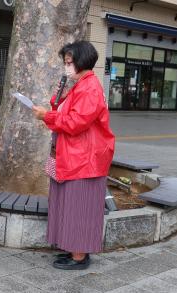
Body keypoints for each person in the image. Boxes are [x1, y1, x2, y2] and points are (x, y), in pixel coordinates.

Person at [32, 41, 115, 270]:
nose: (66, 66)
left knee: (79, 207)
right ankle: (72, 251)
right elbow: (65, 112)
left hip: (84, 158)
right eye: (65, 62)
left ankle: (79, 256)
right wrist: (53, 105)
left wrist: (46, 117)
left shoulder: (89, 88)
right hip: (73, 155)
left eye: (69, 62)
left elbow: (76, 122)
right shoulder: (79, 85)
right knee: (69, 204)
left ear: (81, 61)